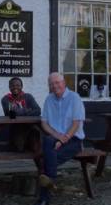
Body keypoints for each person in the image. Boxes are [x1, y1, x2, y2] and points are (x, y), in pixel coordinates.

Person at [37, 72, 86, 205]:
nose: (55, 86)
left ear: (64, 83)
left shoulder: (74, 98)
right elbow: (44, 123)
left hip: (73, 139)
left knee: (46, 160)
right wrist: (58, 137)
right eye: (51, 84)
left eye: (57, 82)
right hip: (54, 138)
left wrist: (63, 140)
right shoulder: (49, 99)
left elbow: (76, 123)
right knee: (47, 141)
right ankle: (51, 181)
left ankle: (44, 197)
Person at [0, 77, 40, 152]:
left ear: (22, 86)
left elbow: (38, 111)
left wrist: (19, 111)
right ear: (9, 87)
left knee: (37, 145)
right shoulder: (5, 99)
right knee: (20, 149)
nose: (15, 87)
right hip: (16, 129)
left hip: (30, 128)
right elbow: (11, 113)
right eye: (12, 85)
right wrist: (27, 110)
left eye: (18, 85)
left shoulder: (28, 97)